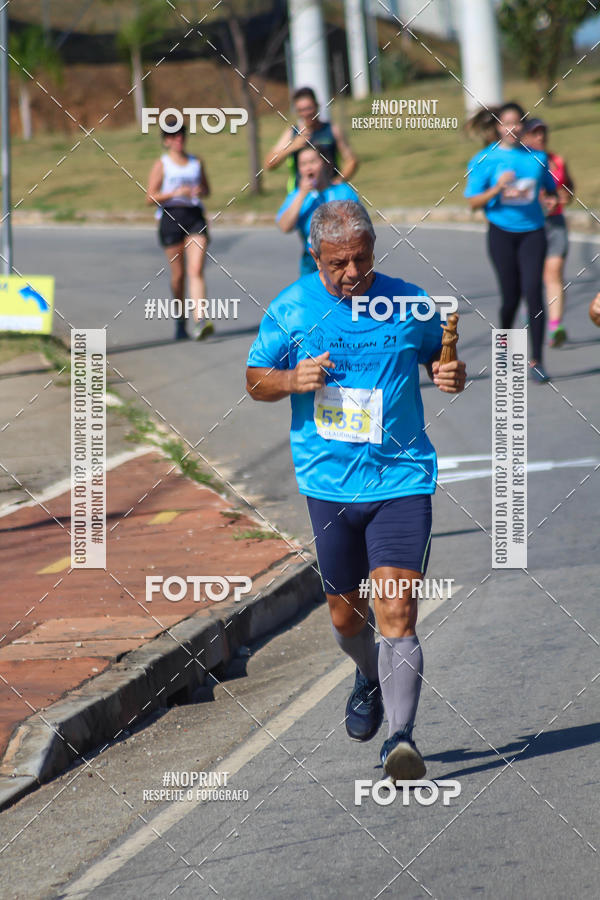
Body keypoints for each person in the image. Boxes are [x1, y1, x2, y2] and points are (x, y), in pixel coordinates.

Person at [246, 200, 466, 781]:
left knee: (396, 607)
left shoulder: (409, 302)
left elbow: (440, 361)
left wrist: (450, 374)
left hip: (401, 477)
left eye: (362, 260)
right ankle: (367, 675)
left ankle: (400, 739)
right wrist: (293, 378)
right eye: (338, 263)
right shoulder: (291, 308)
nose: (352, 273)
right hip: (328, 483)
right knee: (347, 618)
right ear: (315, 256)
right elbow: (255, 380)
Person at [464, 102, 558, 383]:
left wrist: (552, 200)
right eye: (506, 123)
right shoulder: (484, 159)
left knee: (534, 293)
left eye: (517, 123)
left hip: (533, 232)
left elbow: (553, 191)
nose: (512, 129)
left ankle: (537, 361)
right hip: (501, 234)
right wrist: (498, 187)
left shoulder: (537, 158)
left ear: (523, 126)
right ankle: (505, 351)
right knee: (511, 298)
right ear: (496, 127)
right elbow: (472, 202)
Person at [146, 116, 213, 341]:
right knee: (179, 275)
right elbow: (150, 197)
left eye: (181, 134)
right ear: (166, 141)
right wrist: (175, 193)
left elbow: (206, 188)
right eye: (173, 136)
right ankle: (180, 319)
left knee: (196, 269)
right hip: (171, 217)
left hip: (194, 217)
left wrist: (197, 190)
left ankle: (200, 321)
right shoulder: (162, 164)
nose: (178, 139)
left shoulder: (196, 161)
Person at [523, 118, 575, 348]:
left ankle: (555, 326)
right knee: (532, 279)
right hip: (528, 227)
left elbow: (569, 189)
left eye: (543, 132)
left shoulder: (557, 160)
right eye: (535, 133)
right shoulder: (521, 163)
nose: (540, 137)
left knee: (553, 273)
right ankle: (532, 315)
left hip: (556, 224)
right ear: (525, 137)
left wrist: (564, 197)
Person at [277, 145, 359, 276]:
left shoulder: (343, 192)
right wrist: (302, 194)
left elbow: (359, 228)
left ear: (326, 163)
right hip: (311, 267)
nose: (308, 167)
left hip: (343, 265)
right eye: (303, 164)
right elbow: (284, 227)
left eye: (313, 162)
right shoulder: (296, 196)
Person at [264, 86, 358, 191]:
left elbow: (351, 160)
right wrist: (292, 146)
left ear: (317, 106)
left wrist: (338, 181)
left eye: (309, 108)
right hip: (302, 195)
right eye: (301, 110)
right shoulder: (292, 133)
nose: (306, 113)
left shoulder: (332, 130)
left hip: (329, 195)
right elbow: (269, 164)